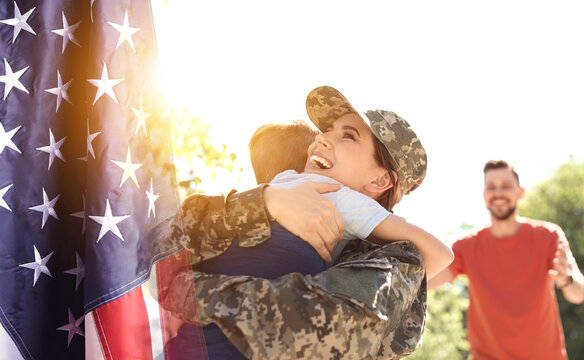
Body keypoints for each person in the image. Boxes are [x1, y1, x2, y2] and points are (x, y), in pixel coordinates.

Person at [160, 87, 441, 359]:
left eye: (349, 137)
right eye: (327, 130)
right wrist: (267, 200)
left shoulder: (398, 260)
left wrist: (192, 295)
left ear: (381, 180)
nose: (321, 138)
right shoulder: (286, 188)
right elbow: (162, 247)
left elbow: (314, 329)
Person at [428, 159, 584, 360]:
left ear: (520, 192)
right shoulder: (466, 247)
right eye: (491, 187)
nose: (498, 193)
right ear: (484, 195)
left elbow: (578, 294)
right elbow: (426, 281)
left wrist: (567, 280)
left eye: (505, 186)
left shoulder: (548, 237)